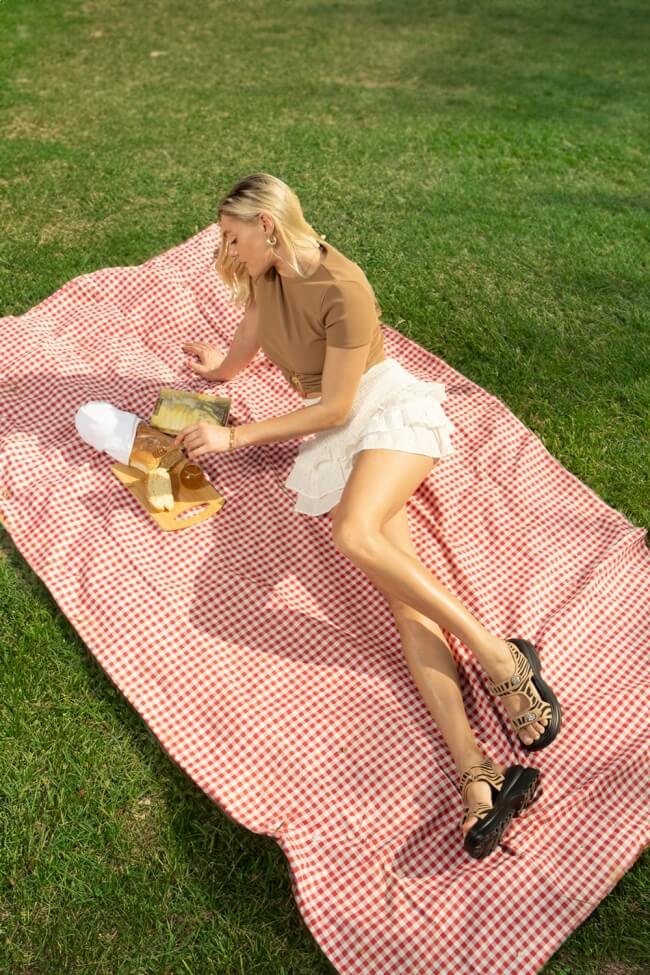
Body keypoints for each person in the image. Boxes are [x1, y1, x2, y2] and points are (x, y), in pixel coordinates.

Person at [175, 172, 562, 859]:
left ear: (268, 225)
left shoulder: (343, 287)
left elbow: (337, 406)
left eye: (234, 237)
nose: (228, 252)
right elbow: (251, 338)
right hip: (335, 434)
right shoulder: (266, 275)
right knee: (405, 606)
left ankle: (501, 656)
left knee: (354, 533)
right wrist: (219, 371)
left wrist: (234, 438)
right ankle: (478, 772)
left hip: (379, 410)